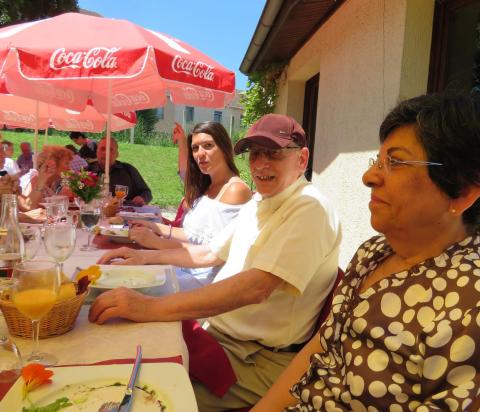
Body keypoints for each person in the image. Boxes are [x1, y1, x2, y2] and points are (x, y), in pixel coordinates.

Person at [254, 93, 480, 411]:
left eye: (396, 162)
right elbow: (322, 346)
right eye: (377, 160)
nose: (369, 177)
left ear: (465, 191)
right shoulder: (373, 253)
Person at [89, 114, 342, 411]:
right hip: (219, 336)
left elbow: (256, 288)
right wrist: (144, 256)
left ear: (302, 159)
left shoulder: (310, 208)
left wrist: (150, 307)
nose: (261, 164)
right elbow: (209, 253)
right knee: (116, 357)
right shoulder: (262, 201)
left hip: (255, 359)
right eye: (255, 154)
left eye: (273, 153)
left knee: (139, 398)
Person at [129, 121, 251, 290]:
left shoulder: (235, 190)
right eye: (195, 148)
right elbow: (194, 235)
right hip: (184, 268)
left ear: (224, 148)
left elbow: (211, 253)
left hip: (206, 282)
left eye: (208, 146)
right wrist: (154, 226)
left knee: (132, 286)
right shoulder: (207, 186)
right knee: (124, 272)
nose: (200, 154)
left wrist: (156, 242)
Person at [88, 137, 152, 206]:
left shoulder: (128, 170)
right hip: (95, 213)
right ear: (96, 152)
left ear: (117, 154)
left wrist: (142, 198)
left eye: (110, 149)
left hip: (124, 214)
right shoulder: (87, 171)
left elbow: (146, 192)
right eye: (102, 149)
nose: (106, 153)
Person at [20, 145, 73, 209]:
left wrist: (69, 184)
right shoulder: (35, 179)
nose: (69, 168)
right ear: (52, 164)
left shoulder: (52, 183)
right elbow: (30, 207)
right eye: (67, 163)